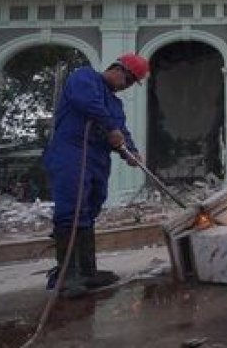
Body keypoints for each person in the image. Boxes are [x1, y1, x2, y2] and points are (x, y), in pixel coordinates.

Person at [42, 53, 149, 296]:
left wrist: (131, 152)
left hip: (97, 160)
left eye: (133, 83)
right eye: (129, 80)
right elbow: (87, 102)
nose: (127, 86)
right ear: (118, 69)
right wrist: (110, 128)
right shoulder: (85, 77)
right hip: (73, 153)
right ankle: (68, 276)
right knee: (72, 208)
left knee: (89, 210)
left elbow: (121, 130)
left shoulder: (115, 104)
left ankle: (87, 272)